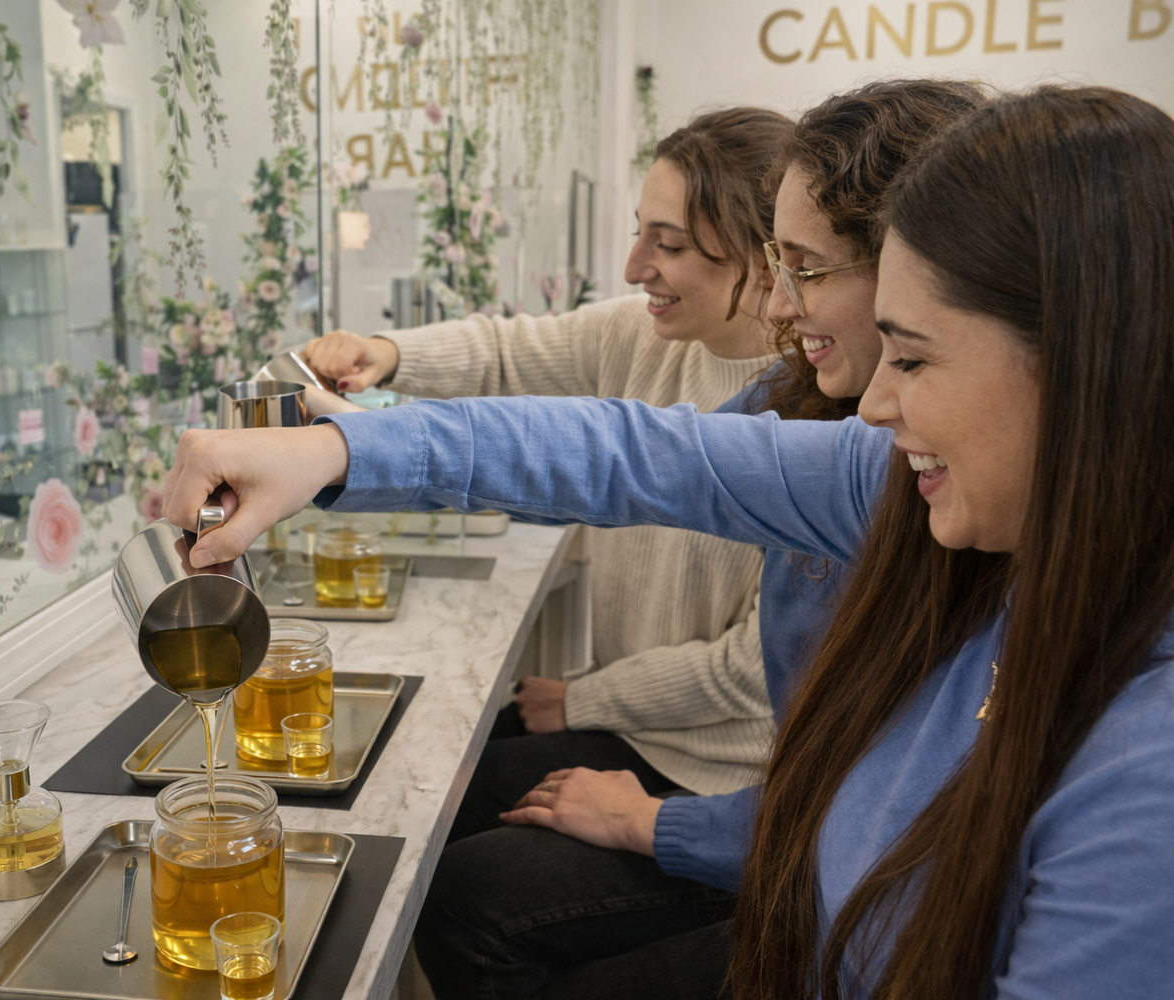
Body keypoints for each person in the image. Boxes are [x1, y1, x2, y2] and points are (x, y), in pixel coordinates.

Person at [166, 85, 1174, 997]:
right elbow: (632, 452)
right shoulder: (916, 499)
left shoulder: (1140, 777)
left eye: (911, 356)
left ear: (1087, 363)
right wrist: (335, 450)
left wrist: (664, 821)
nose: (875, 403)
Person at [307, 108, 793, 821]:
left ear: (764, 256)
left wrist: (580, 700)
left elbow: (752, 672)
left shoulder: (813, 418)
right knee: (425, 770)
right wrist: (386, 354)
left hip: (717, 773)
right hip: (633, 720)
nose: (635, 268)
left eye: (671, 245)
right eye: (639, 232)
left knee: (454, 859)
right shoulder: (644, 335)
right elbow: (507, 353)